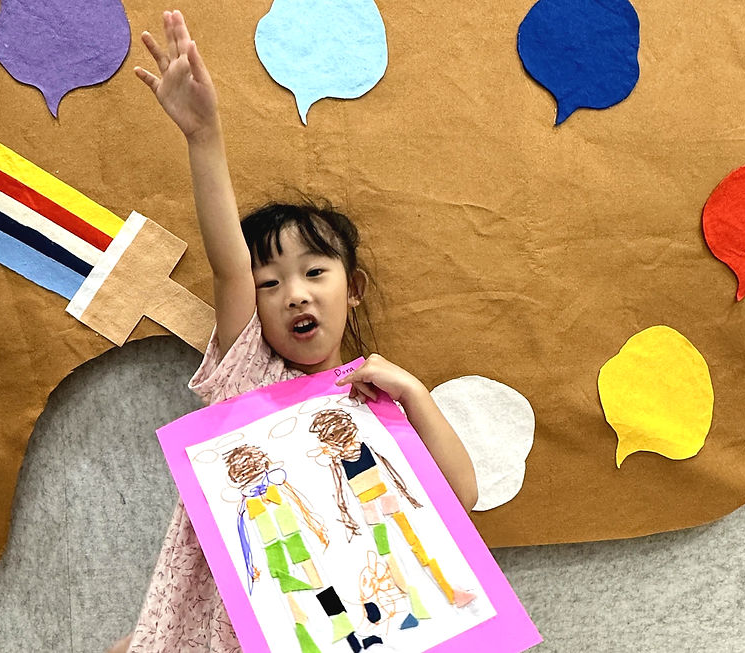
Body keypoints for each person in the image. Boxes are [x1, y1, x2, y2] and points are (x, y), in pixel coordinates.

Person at [107, 10, 478, 652]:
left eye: (314, 272)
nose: (295, 293)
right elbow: (229, 265)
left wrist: (415, 395)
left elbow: (462, 497)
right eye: (270, 282)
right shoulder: (251, 375)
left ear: (352, 288)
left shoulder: (376, 398)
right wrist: (203, 136)